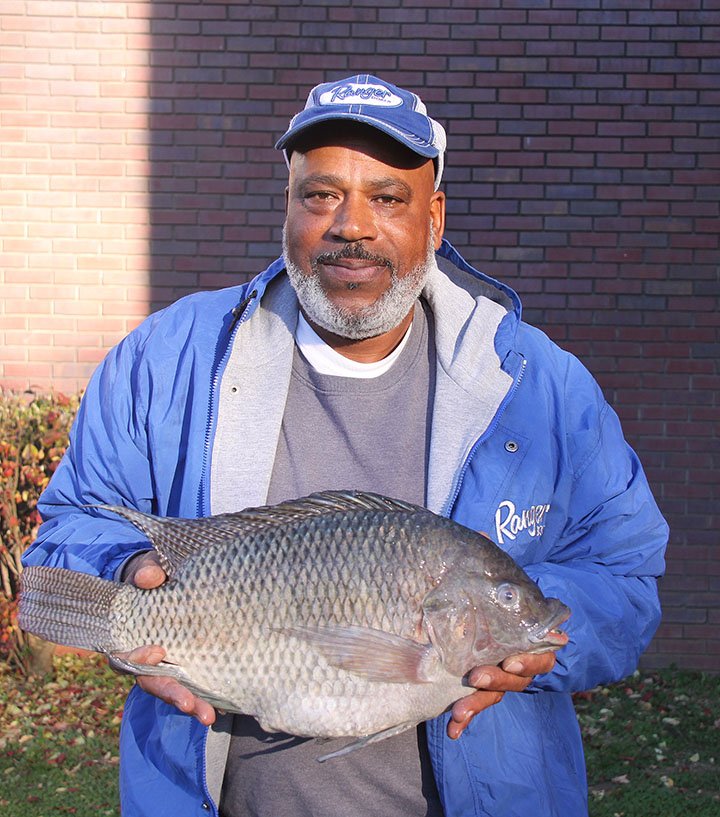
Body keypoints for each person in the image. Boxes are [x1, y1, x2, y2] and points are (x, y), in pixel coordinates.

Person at [23, 74, 668, 817]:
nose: (351, 225)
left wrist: (543, 639)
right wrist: (128, 570)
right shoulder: (166, 360)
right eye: (320, 194)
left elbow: (625, 572)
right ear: (289, 207)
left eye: (388, 198)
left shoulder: (539, 387)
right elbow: (69, 527)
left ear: (434, 218)